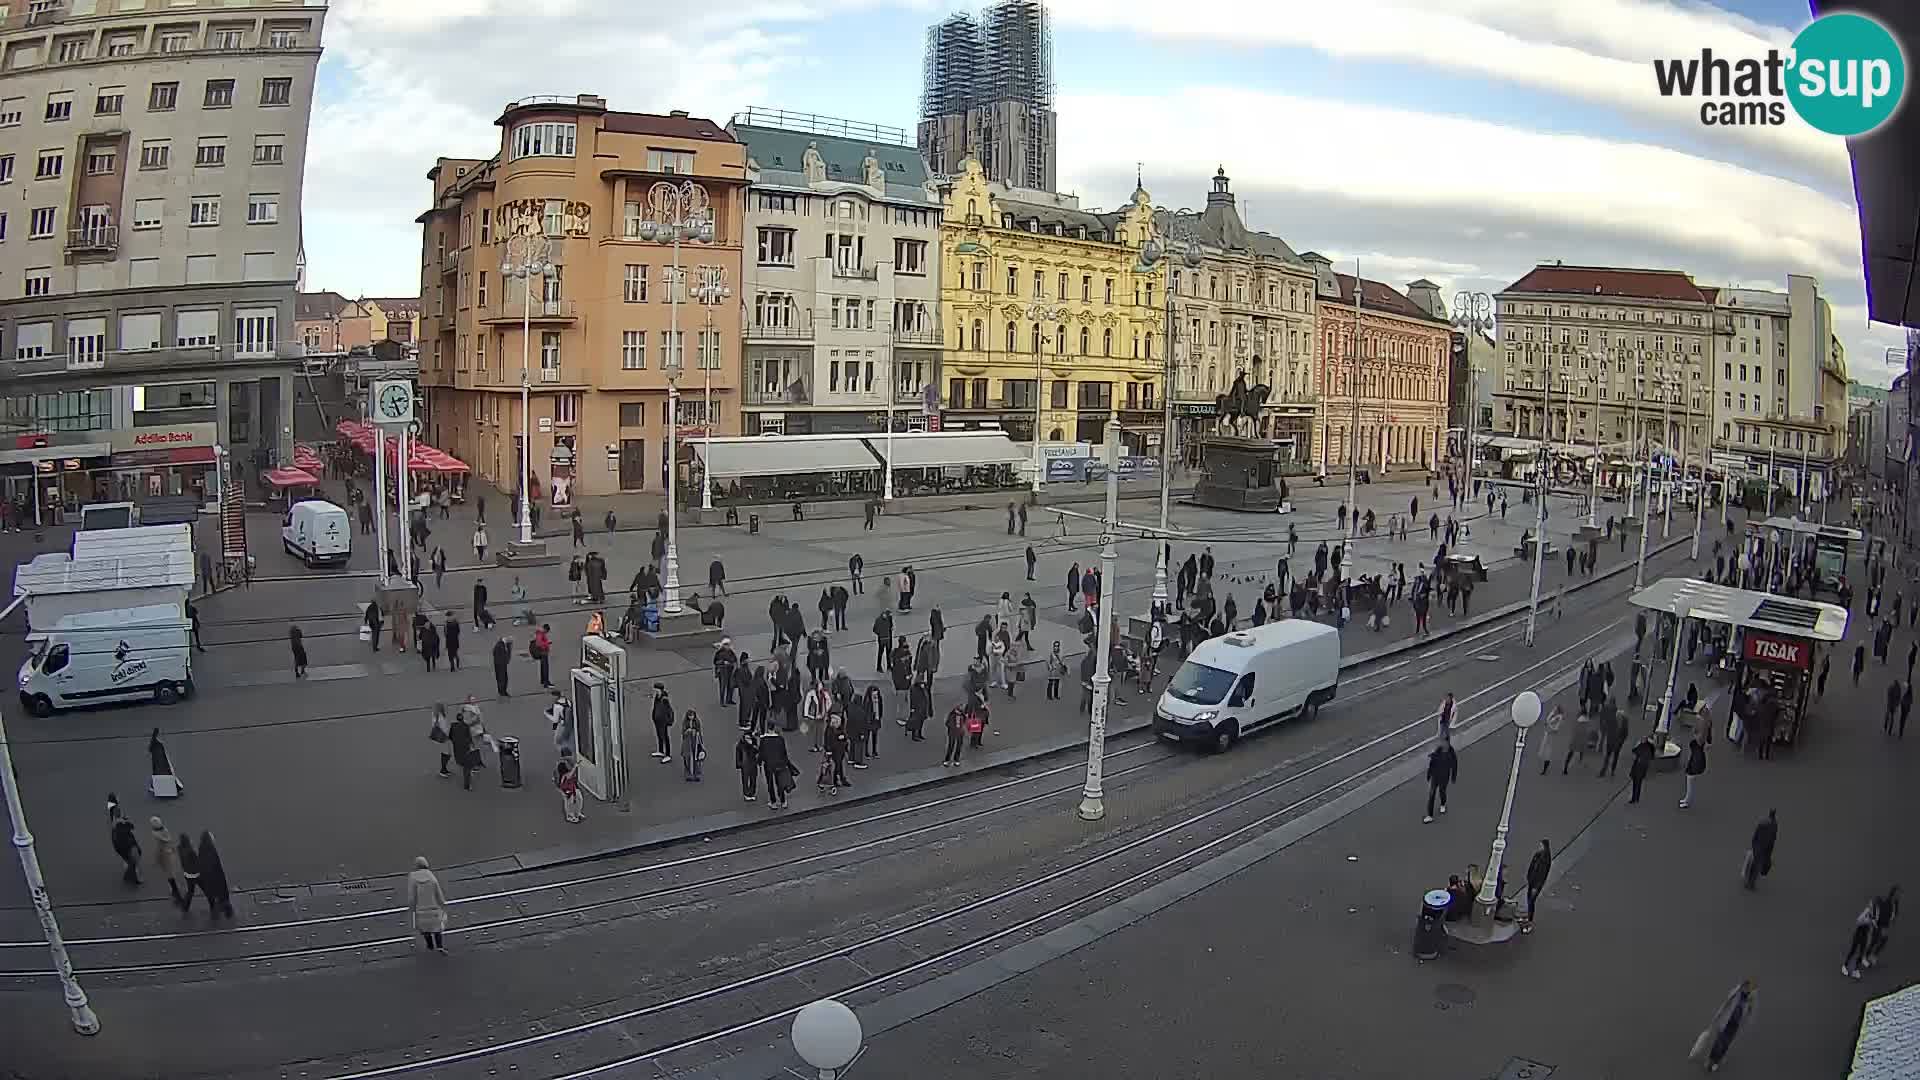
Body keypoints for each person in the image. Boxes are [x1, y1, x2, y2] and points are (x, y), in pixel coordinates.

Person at [1691, 979, 1757, 1071]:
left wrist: (1746, 1023)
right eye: (1747, 987)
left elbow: (1750, 1013)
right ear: (1743, 986)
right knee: (1718, 1042)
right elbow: (1725, 1004)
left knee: (1726, 1044)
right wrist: (1717, 1016)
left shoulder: (1751, 1000)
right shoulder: (1736, 993)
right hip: (1725, 1022)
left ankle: (1717, 1061)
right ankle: (1710, 1060)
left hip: (1736, 1026)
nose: (1747, 990)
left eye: (1750, 989)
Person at [406, 856, 450, 953]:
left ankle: (430, 946)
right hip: (434, 908)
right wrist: (442, 903)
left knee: (425, 929)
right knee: (437, 928)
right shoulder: (431, 876)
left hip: (420, 909)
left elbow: (412, 896)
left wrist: (411, 906)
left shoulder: (412, 877)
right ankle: (439, 946)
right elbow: (438, 893)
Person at [196, 832, 234, 918]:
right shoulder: (210, 850)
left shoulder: (202, 848)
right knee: (222, 895)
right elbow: (213, 866)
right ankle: (226, 912)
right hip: (215, 878)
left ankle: (215, 910)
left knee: (212, 896)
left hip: (208, 879)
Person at [149, 816, 184, 905]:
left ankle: (176, 893)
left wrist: (156, 860)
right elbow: (170, 842)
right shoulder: (165, 831)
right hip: (170, 854)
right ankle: (175, 890)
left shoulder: (157, 838)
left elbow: (159, 850)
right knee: (172, 873)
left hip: (164, 856)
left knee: (169, 875)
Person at [1423, 736, 1457, 823]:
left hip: (1444, 777)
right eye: (1442, 743)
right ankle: (1430, 815)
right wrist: (1429, 774)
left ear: (1448, 743)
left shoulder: (1451, 753)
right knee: (1431, 795)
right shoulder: (1437, 751)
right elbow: (1432, 763)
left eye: (1445, 743)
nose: (1443, 744)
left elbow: (1454, 765)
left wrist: (1453, 777)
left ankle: (1443, 803)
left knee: (1442, 792)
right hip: (1435, 776)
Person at [760, 727, 795, 809]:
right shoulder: (780, 739)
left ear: (768, 729)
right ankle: (783, 801)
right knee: (780, 782)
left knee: (770, 783)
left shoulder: (764, 740)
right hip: (780, 764)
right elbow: (784, 752)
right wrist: (787, 763)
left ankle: (773, 802)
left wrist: (759, 762)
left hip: (768, 764)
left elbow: (761, 753)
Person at [1743, 809, 1777, 891]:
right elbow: (1773, 838)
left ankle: (1749, 882)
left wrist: (1754, 844)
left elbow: (1756, 834)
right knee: (1757, 866)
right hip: (1763, 848)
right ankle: (1751, 883)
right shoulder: (1774, 825)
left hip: (1758, 847)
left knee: (1754, 865)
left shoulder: (1763, 823)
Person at [1522, 839, 1552, 930]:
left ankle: (1529, 921)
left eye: (1541, 846)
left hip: (1536, 884)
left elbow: (1542, 874)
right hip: (1532, 881)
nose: (1539, 847)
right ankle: (1528, 916)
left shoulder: (1545, 859)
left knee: (1531, 901)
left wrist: (1536, 886)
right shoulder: (1538, 855)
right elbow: (1532, 866)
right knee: (1529, 899)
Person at [110, 802, 141, 886]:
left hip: (120, 847)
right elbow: (131, 827)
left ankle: (129, 876)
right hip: (125, 846)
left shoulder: (115, 824)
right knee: (132, 861)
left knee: (130, 861)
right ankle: (133, 878)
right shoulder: (121, 825)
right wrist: (126, 821)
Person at [448, 707, 477, 789]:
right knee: (467, 766)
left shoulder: (453, 726)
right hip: (465, 748)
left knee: (461, 761)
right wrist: (472, 745)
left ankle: (464, 766)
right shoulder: (466, 726)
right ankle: (467, 785)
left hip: (457, 748)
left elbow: (450, 736)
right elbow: (469, 738)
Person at [821, 714, 851, 793]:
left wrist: (843, 738)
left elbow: (845, 736)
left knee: (838, 765)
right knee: (834, 766)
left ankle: (839, 779)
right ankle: (835, 780)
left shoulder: (839, 728)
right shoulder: (830, 730)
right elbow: (827, 741)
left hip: (840, 751)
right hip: (833, 751)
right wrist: (828, 750)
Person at [1680, 734, 1707, 809]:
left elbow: (1701, 741)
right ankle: (1687, 799)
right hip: (1695, 758)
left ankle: (1687, 800)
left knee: (1690, 779)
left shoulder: (1698, 743)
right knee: (1690, 779)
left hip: (1696, 760)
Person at [734, 727, 761, 802]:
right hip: (745, 764)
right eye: (747, 737)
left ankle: (752, 793)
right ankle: (746, 794)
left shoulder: (754, 742)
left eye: (749, 737)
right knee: (745, 780)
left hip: (753, 763)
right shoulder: (740, 745)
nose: (748, 739)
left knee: (753, 779)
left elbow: (758, 751)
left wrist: (753, 746)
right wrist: (739, 764)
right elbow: (738, 755)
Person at [1537, 706, 1564, 775]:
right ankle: (1545, 767)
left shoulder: (1559, 717)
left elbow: (1556, 729)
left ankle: (1545, 769)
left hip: (1551, 737)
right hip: (1547, 735)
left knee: (1548, 753)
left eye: (1555, 709)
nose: (1554, 710)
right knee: (1544, 751)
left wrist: (1549, 726)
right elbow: (1547, 720)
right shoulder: (1553, 715)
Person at [651, 684, 674, 763]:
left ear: (660, 689)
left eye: (656, 689)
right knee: (659, 735)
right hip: (657, 720)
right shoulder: (657, 697)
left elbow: (669, 710)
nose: (655, 691)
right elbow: (655, 707)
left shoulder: (664, 699)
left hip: (663, 721)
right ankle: (660, 751)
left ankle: (668, 755)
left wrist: (669, 721)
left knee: (665, 737)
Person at [681, 710, 705, 782]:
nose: (691, 717)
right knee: (687, 757)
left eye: (692, 716)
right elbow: (683, 733)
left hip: (695, 740)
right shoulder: (685, 722)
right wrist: (687, 731)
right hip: (687, 741)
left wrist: (700, 740)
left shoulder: (697, 722)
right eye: (689, 716)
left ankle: (697, 774)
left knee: (697, 757)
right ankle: (688, 774)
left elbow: (699, 731)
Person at [907, 676, 932, 741]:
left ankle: (919, 734)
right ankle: (914, 735)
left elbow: (928, 698)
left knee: (921, 722)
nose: (922, 684)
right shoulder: (914, 689)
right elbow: (913, 699)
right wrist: (912, 708)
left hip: (923, 708)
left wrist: (929, 708)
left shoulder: (924, 688)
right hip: (917, 709)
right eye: (921, 683)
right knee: (916, 722)